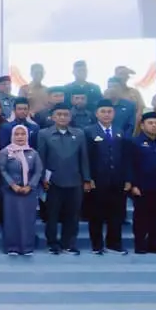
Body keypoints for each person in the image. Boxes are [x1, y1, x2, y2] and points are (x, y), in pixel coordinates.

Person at [37, 104, 91, 255]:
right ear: (53, 117)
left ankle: (69, 244)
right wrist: (42, 178)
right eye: (59, 114)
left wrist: (86, 178)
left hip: (75, 180)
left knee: (73, 215)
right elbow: (41, 157)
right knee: (52, 215)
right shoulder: (44, 134)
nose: (62, 117)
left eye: (65, 114)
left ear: (70, 116)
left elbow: (84, 158)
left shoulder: (79, 134)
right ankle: (52, 243)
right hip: (52, 181)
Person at [84, 100, 130, 255]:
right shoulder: (88, 131)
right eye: (103, 111)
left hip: (117, 180)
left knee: (116, 214)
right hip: (97, 180)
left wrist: (127, 179)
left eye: (109, 111)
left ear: (114, 114)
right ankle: (97, 245)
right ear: (96, 114)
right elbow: (85, 157)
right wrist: (88, 178)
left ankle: (114, 244)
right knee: (96, 214)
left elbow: (125, 157)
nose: (106, 114)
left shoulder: (119, 131)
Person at [0, 124, 45, 256]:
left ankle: (27, 247)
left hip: (29, 191)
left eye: (23, 134)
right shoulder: (5, 152)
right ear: (12, 136)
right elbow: (2, 170)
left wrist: (30, 186)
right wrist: (12, 185)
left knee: (28, 220)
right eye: (17, 134)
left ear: (27, 136)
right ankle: (12, 247)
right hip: (11, 191)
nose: (20, 137)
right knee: (11, 219)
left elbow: (38, 171)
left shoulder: (33, 153)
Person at [129, 112, 156, 254]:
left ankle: (155, 244)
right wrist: (133, 184)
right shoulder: (135, 142)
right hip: (141, 187)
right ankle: (140, 244)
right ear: (142, 126)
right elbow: (130, 165)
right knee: (141, 217)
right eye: (150, 123)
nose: (154, 126)